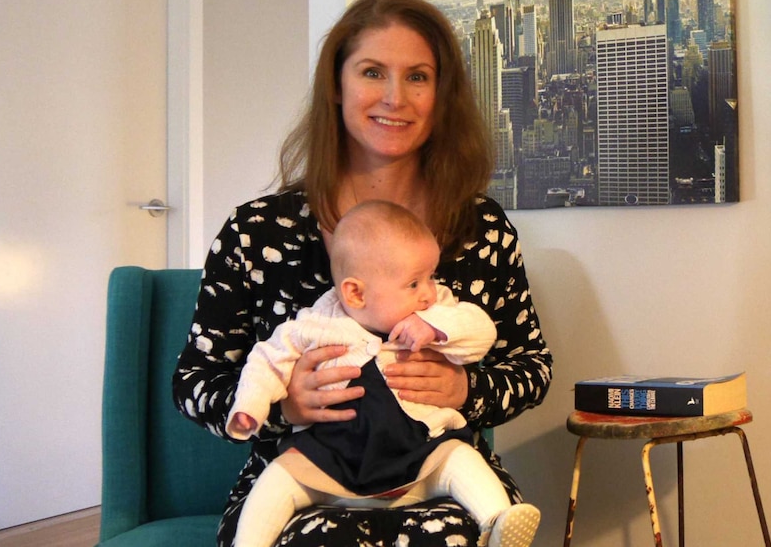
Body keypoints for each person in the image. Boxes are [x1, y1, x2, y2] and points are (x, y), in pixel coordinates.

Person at [173, 0, 553, 547]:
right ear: (337, 84)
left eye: (418, 77)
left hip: (439, 474)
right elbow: (193, 382)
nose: (395, 97)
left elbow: (531, 366)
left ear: (440, 95)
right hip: (300, 482)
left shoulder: (482, 229)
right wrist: (284, 405)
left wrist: (465, 388)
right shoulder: (257, 233)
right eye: (373, 72)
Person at [226, 200, 540, 547]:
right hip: (330, 461)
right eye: (414, 284)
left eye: (431, 277)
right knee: (277, 479)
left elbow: (482, 331)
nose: (429, 292)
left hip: (422, 456)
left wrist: (436, 328)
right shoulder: (315, 325)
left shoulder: (436, 312)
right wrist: (251, 407)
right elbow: (266, 361)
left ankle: (496, 523)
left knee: (462, 459)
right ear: (356, 293)